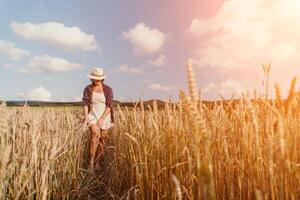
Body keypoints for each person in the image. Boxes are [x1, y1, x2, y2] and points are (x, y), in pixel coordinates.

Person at [82, 67, 114, 173]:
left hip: (105, 114)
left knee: (102, 139)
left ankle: (97, 163)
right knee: (95, 136)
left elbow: (109, 106)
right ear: (92, 78)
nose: (97, 80)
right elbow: (85, 103)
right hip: (92, 114)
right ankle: (90, 163)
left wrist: (102, 118)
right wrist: (86, 117)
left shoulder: (108, 89)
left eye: (99, 78)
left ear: (102, 79)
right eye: (95, 78)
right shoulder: (88, 89)